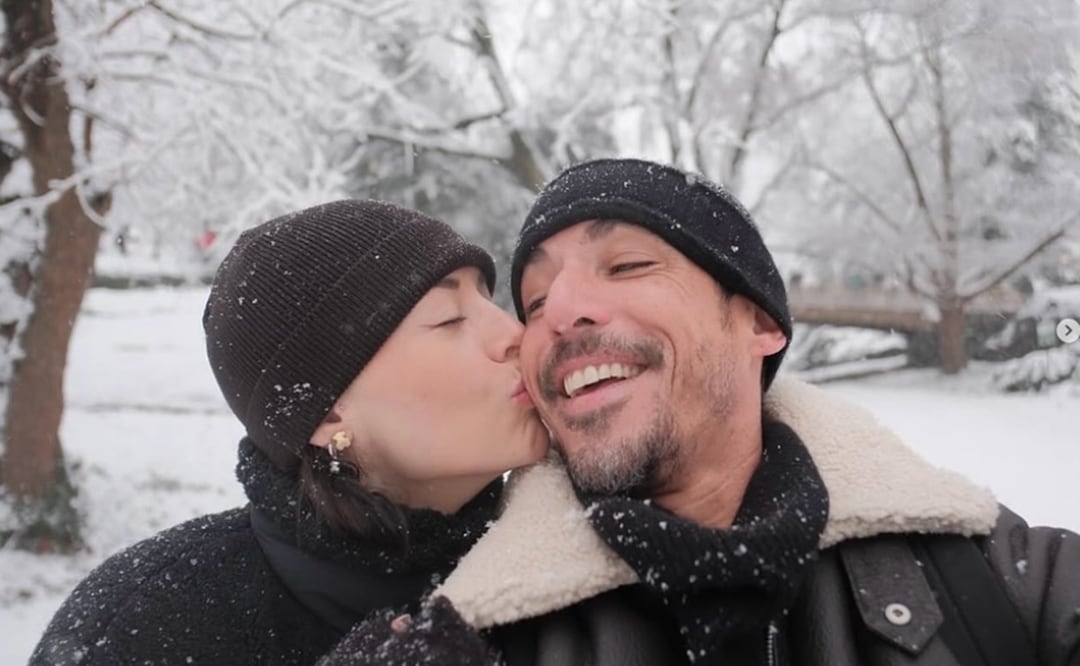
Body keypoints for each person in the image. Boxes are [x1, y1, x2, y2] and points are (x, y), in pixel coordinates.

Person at [328, 159, 1080, 665]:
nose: (558, 314)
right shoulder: (461, 642)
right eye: (535, 300)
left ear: (760, 323)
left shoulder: (1008, 583)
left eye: (627, 265)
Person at [30, 199, 549, 665]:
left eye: (491, 300)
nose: (514, 333)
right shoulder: (138, 630)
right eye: (450, 319)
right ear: (326, 413)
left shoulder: (569, 574)